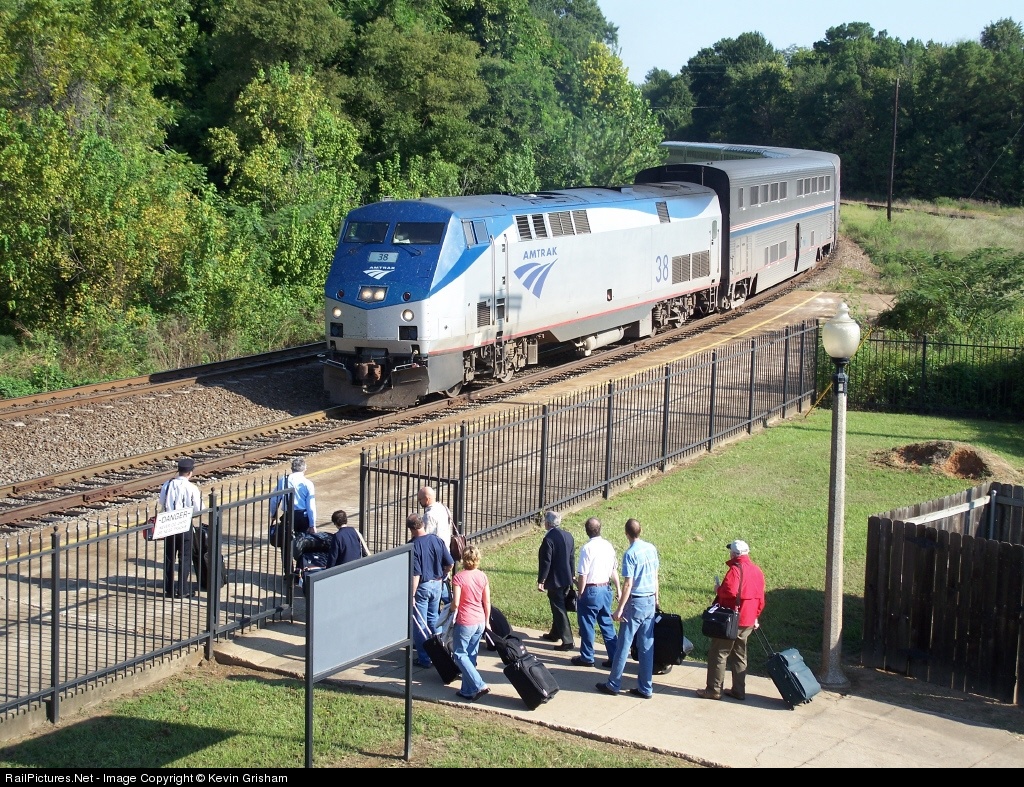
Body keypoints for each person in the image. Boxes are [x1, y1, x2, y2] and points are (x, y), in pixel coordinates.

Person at [596, 518, 659, 699]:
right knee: (647, 646)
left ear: (626, 534)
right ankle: (646, 688)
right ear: (641, 531)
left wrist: (620, 608)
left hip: (635, 603)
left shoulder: (630, 554)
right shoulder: (651, 548)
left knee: (623, 644)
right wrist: (656, 599)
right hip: (650, 601)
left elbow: (628, 584)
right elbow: (655, 576)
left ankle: (613, 684)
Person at [697, 539, 766, 701]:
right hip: (748, 621)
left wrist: (718, 589)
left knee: (719, 653)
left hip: (731, 621)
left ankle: (714, 690)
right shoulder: (757, 571)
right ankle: (738, 690)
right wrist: (755, 616)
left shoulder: (735, 570)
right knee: (740, 655)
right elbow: (761, 598)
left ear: (734, 554)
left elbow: (729, 591)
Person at [571, 517, 620, 668]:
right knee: (607, 623)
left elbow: (583, 574)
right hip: (606, 589)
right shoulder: (608, 546)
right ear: (600, 529)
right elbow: (614, 570)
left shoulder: (587, 548)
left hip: (591, 590)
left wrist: (580, 592)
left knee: (587, 625)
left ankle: (587, 657)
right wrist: (618, 589)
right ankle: (615, 657)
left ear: (587, 531)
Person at [408, 513, 455, 669]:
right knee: (434, 618)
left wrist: (412, 594)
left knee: (420, 623)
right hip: (437, 584)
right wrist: (442, 575)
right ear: (422, 524)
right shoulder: (437, 540)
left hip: (422, 587)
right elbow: (450, 564)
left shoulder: (413, 546)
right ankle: (441, 652)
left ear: (411, 529)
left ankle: (424, 658)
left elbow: (416, 574)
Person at [450, 544, 491, 702]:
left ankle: (479, 684)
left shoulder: (459, 578)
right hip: (480, 620)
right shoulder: (482, 576)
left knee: (459, 654)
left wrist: (449, 611)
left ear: (463, 559)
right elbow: (487, 601)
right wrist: (487, 621)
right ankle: (467, 690)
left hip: (465, 621)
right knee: (471, 655)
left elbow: (456, 603)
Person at [158, 457, 202, 598]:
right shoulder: (192, 488)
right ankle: (183, 590)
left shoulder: (167, 484)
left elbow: (162, 502)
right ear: (190, 473)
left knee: (169, 557)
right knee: (185, 557)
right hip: (184, 524)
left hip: (169, 524)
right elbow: (199, 508)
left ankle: (169, 589)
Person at [269, 457, 317, 575]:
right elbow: (311, 507)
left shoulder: (283, 480)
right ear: (305, 469)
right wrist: (312, 524)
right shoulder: (307, 483)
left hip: (288, 516)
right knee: (303, 543)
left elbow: (274, 499)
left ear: (292, 468)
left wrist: (273, 514)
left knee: (286, 544)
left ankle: (288, 573)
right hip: (303, 517)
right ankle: (301, 570)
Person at [537, 510, 575, 651]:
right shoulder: (568, 536)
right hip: (567, 578)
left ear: (547, 523)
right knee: (559, 606)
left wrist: (541, 580)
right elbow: (571, 557)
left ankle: (568, 641)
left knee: (558, 608)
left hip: (555, 580)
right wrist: (572, 575)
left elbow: (546, 561)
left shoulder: (549, 539)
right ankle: (555, 633)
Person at [418, 485, 452, 550]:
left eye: (420, 499)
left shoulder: (429, 515)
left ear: (427, 499)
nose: (419, 502)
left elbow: (426, 537)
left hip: (435, 551)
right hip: (446, 547)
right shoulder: (444, 508)